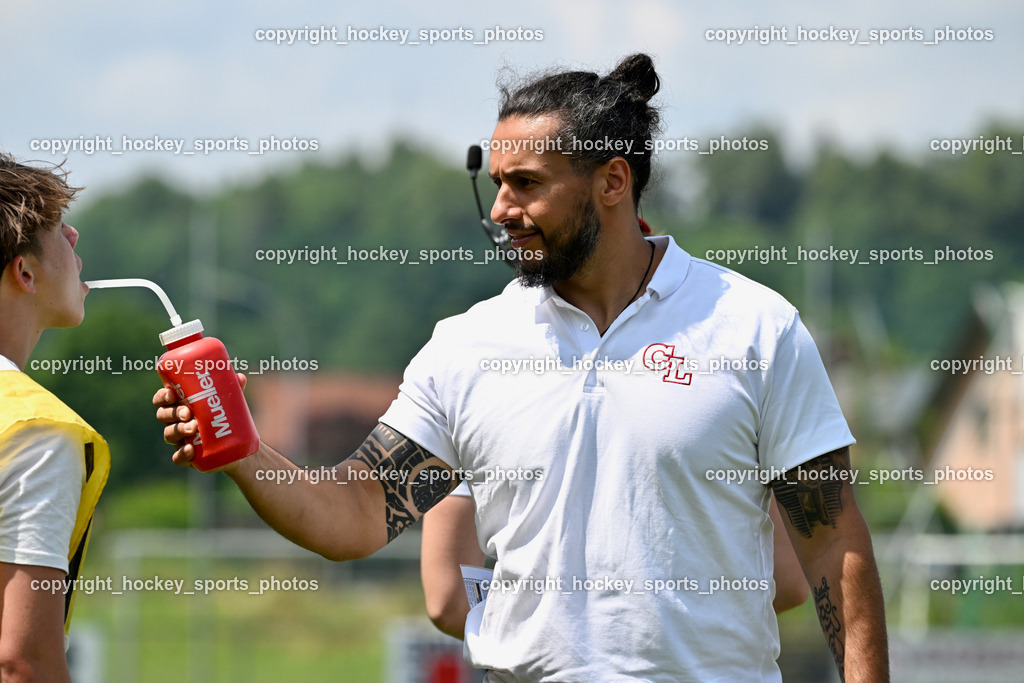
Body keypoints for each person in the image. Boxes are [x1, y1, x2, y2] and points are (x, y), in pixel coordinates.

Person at [156, 53, 888, 681]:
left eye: (528, 183)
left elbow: (832, 545)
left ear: (612, 182)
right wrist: (245, 452)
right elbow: (353, 511)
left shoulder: (755, 326)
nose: (501, 209)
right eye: (495, 182)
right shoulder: (467, 346)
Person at [421, 485, 809, 640]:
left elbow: (450, 601)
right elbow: (786, 581)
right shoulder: (727, 361)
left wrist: (544, 626)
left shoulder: (478, 364)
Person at [0, 153, 109, 681]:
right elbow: (23, 661)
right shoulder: (35, 430)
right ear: (24, 271)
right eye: (57, 230)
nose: (75, 236)